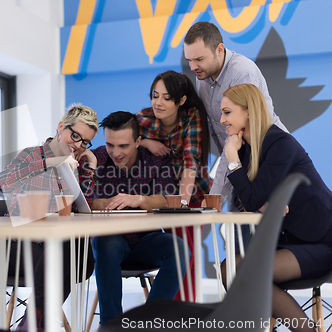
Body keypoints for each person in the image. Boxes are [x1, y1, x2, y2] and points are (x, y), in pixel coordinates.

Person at [219, 83, 332, 332]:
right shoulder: (246, 150)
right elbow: (248, 199)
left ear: (248, 111)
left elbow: (252, 197)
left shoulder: (280, 143)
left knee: (252, 276)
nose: (221, 119)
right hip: (289, 242)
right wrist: (260, 204)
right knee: (230, 269)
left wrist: (232, 160)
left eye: (227, 112)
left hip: (322, 242)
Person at [0, 104, 98, 330]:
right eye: (75, 136)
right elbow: (2, 181)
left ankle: (33, 322)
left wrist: (90, 168)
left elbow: (83, 210)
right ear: (61, 127)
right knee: (65, 251)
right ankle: (35, 322)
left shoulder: (75, 165)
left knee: (78, 253)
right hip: (17, 245)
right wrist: (52, 162)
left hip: (53, 244)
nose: (78, 145)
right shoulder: (31, 155)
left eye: (85, 141)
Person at [90, 111, 189, 326]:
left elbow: (166, 199)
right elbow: (76, 198)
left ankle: (149, 322)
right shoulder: (95, 157)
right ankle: (112, 326)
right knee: (105, 241)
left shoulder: (156, 161)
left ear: (137, 142)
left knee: (179, 248)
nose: (115, 153)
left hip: (147, 241)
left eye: (123, 146)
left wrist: (140, 200)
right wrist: (100, 203)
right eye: (110, 145)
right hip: (110, 243)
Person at [183, 21, 288, 207]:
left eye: (199, 59)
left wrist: (215, 198)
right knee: (240, 231)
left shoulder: (241, 72)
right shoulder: (203, 77)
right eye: (189, 60)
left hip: (266, 162)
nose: (193, 67)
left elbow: (234, 139)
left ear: (219, 49)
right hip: (239, 165)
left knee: (270, 232)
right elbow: (217, 131)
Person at [135, 70, 211, 301]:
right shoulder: (142, 119)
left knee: (187, 249)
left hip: (192, 192)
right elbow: (124, 144)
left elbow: (191, 162)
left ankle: (184, 310)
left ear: (181, 101)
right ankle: (177, 311)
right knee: (179, 250)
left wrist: (182, 204)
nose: (158, 102)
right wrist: (147, 142)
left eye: (166, 98)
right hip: (162, 193)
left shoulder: (192, 116)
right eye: (155, 95)